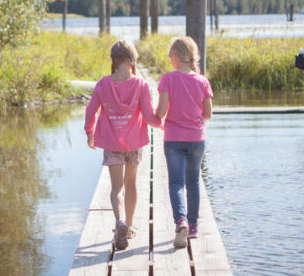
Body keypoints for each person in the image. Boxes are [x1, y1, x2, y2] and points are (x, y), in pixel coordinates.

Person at [84, 40, 162, 250]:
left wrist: (90, 132)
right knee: (131, 185)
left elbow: (91, 111)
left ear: (113, 60)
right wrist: (163, 124)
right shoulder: (141, 84)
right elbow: (148, 116)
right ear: (132, 60)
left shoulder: (102, 84)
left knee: (116, 188)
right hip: (134, 143)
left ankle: (119, 223)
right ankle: (128, 225)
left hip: (111, 143)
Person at [155, 36, 213, 248]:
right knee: (193, 182)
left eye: (170, 56)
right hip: (196, 138)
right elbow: (208, 113)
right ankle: (194, 227)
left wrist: (157, 117)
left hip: (173, 138)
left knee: (176, 183)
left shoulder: (167, 79)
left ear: (175, 56)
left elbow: (161, 111)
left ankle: (181, 222)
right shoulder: (202, 81)